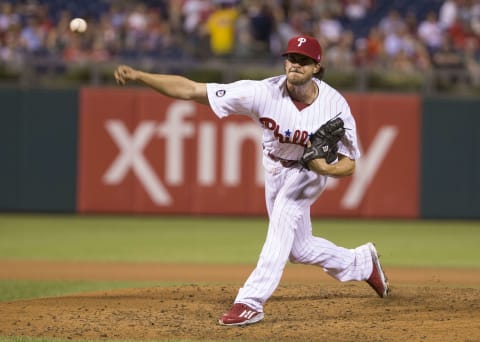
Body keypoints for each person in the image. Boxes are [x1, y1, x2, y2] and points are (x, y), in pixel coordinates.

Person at [113, 34, 390, 326]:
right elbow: (192, 90)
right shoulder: (261, 93)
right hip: (274, 168)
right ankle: (360, 263)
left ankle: (251, 301)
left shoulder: (335, 106)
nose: (295, 65)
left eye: (304, 61)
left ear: (317, 68)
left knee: (284, 215)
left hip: (309, 172)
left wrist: (325, 169)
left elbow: (350, 164)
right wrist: (140, 76)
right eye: (291, 58)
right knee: (299, 249)